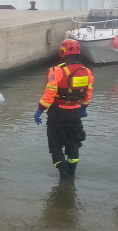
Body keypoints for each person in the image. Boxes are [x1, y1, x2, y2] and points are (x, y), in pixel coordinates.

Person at [34, 39, 94, 179]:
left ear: (63, 52)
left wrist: (40, 110)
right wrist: (84, 107)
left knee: (55, 144)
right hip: (75, 113)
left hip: (58, 113)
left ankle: (63, 172)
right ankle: (71, 175)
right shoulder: (86, 71)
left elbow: (50, 93)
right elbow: (88, 92)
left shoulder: (57, 70)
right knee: (73, 144)